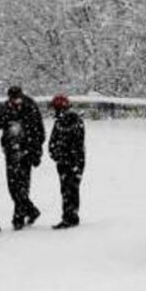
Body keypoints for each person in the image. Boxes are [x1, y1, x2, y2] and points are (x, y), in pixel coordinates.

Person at [0, 86, 45, 230]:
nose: (14, 101)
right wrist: (5, 117)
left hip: (26, 150)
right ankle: (30, 210)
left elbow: (39, 131)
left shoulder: (30, 107)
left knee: (22, 185)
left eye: (16, 98)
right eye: (12, 99)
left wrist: (36, 152)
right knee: (13, 186)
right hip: (10, 151)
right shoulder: (6, 107)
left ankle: (19, 217)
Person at [48, 94, 86, 229]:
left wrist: (58, 153)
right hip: (69, 160)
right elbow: (53, 141)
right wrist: (55, 152)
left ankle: (70, 216)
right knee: (68, 189)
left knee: (69, 189)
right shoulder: (63, 122)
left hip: (72, 161)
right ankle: (70, 215)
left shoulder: (71, 122)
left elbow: (74, 143)